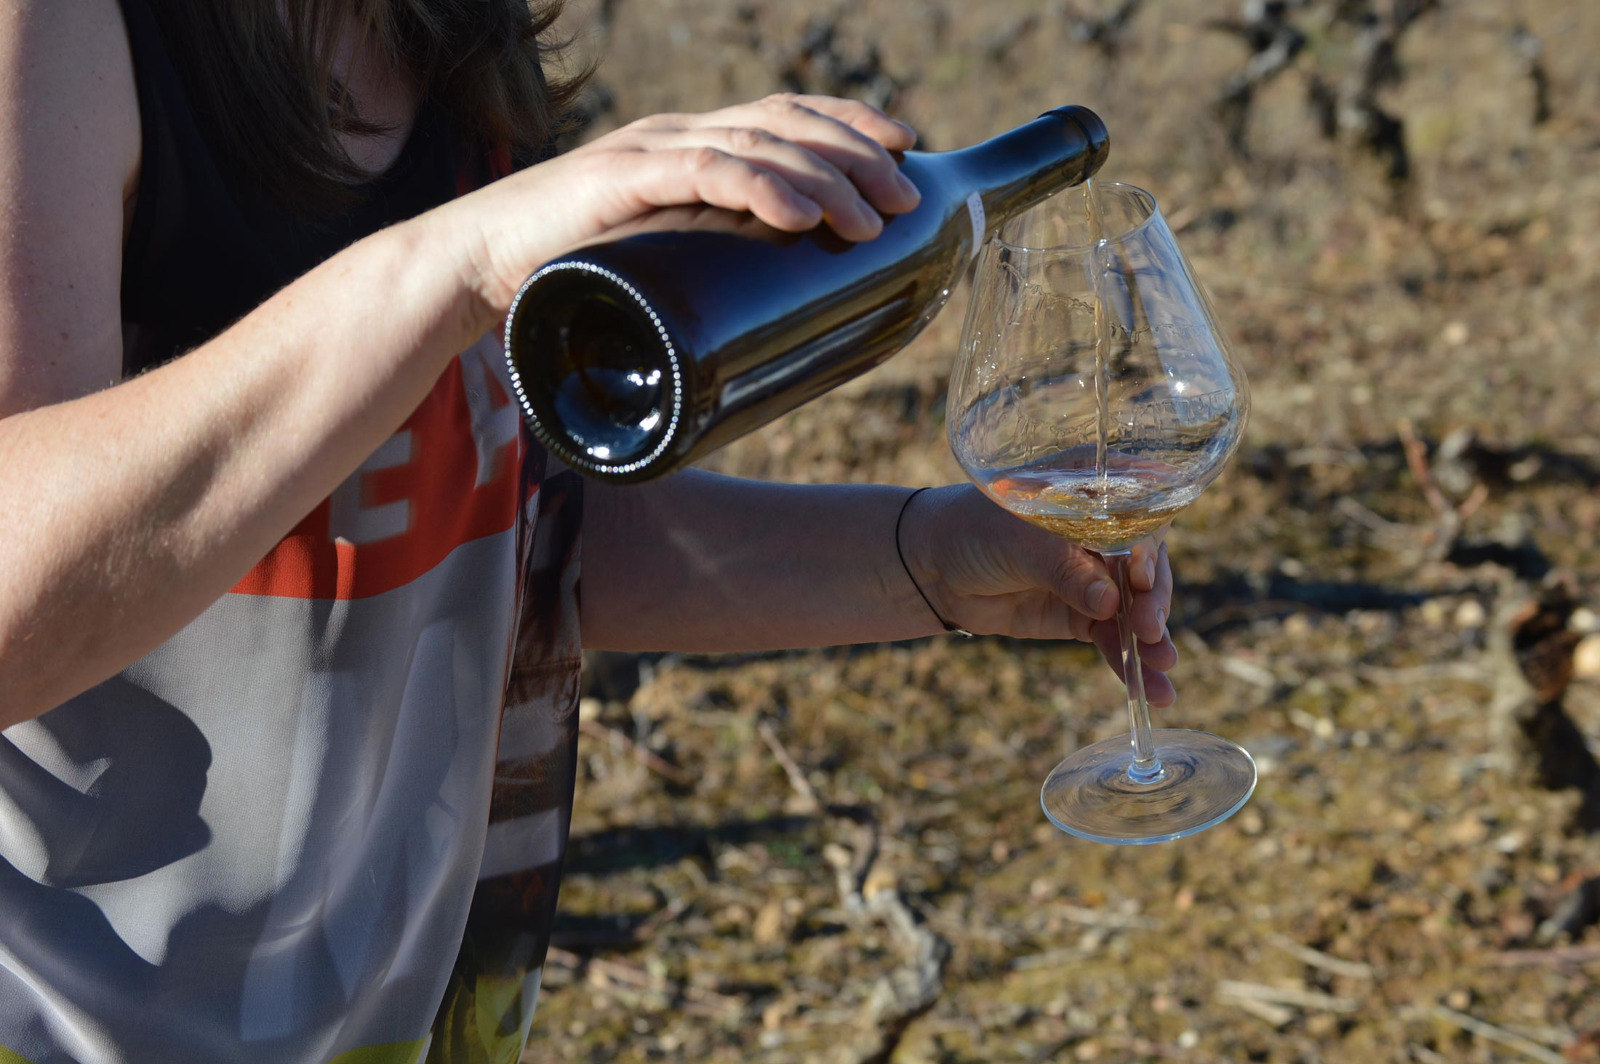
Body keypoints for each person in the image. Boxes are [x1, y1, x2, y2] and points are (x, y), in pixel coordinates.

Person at [0, 0, 1178, 1060]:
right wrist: (450, 263)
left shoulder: (452, 36)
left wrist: (926, 557)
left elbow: (515, 526)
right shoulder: (52, 33)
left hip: (379, 1017)